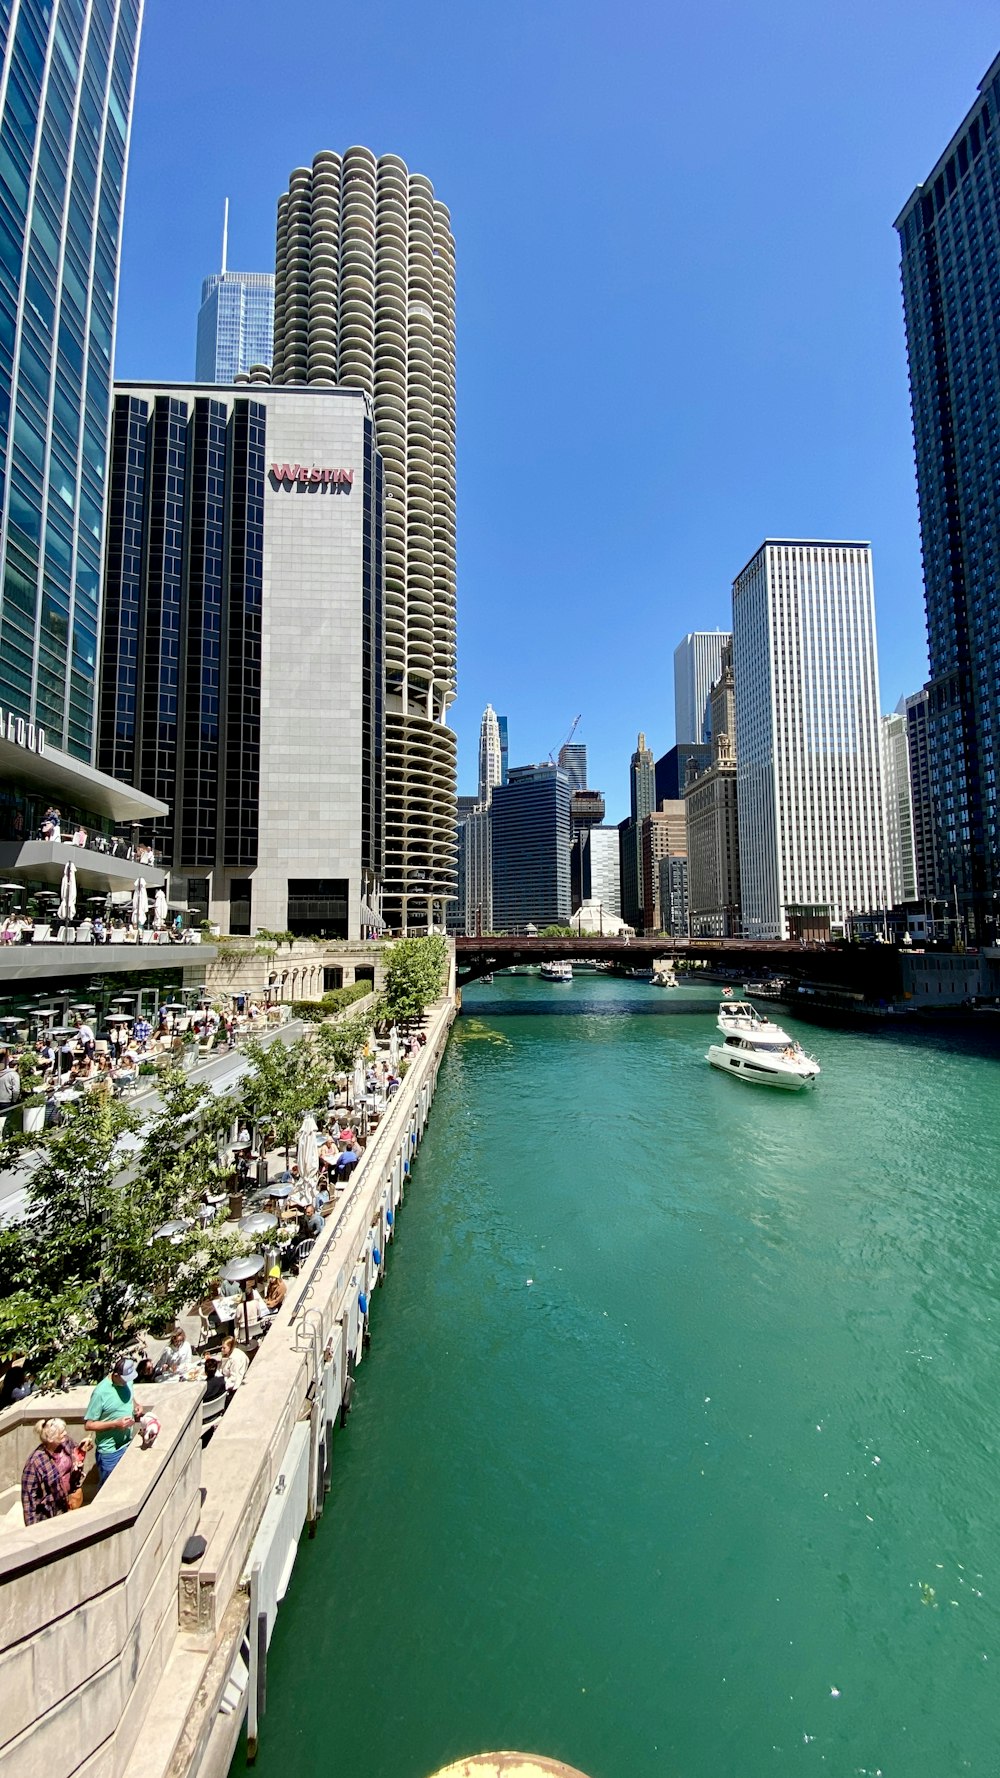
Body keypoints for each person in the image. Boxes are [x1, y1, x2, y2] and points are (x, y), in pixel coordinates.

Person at [84, 1356, 144, 1484]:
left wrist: (137, 1406)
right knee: (109, 1488)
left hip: (128, 1443)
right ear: (116, 1375)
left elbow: (130, 1396)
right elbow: (89, 1425)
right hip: (110, 1452)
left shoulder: (127, 1381)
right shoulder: (100, 1393)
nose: (127, 1382)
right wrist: (115, 1424)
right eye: (124, 1379)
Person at [21, 1419, 86, 1525]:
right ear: (51, 1439)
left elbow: (75, 1451)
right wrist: (32, 1529)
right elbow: (28, 1499)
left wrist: (81, 1450)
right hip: (50, 1513)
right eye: (61, 1432)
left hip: (68, 1502)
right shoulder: (35, 1462)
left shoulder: (66, 1442)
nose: (65, 1433)